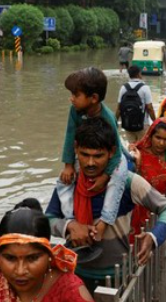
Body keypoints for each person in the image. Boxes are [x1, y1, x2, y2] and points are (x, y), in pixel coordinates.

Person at [46, 118, 166, 293]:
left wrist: (153, 238)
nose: (90, 163)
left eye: (98, 156)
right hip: (76, 273)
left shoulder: (127, 182)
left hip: (119, 276)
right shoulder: (69, 181)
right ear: (76, 149)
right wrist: (69, 226)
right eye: (85, 154)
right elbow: (48, 220)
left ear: (112, 152)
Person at [58, 67, 128, 244]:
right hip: (92, 151)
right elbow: (70, 136)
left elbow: (116, 152)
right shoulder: (75, 111)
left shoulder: (108, 118)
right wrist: (67, 165)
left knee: (118, 177)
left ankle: (104, 222)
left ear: (94, 98)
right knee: (63, 179)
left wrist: (105, 176)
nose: (71, 98)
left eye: (76, 95)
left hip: (114, 154)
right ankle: (71, 219)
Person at [116, 65, 156, 143]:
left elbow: (119, 108)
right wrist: (155, 121)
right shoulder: (145, 88)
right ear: (138, 74)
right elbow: (150, 108)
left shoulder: (123, 88)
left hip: (128, 124)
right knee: (144, 147)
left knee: (132, 148)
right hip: (143, 124)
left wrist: (115, 123)